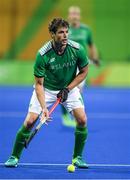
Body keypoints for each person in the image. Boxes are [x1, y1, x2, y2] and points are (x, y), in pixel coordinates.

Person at [5, 18, 89, 168]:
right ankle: (14, 156)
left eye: (66, 32)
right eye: (60, 32)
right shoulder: (43, 54)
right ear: (52, 34)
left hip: (68, 88)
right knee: (30, 121)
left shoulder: (77, 49)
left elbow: (84, 72)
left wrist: (68, 89)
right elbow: (38, 84)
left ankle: (77, 157)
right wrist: (44, 108)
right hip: (46, 90)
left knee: (82, 120)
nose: (65, 36)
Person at [61, 6, 99, 127]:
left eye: (76, 13)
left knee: (79, 90)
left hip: (81, 64)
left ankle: (77, 115)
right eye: (72, 13)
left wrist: (95, 58)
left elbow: (91, 45)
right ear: (69, 15)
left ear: (79, 16)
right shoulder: (64, 29)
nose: (74, 16)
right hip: (66, 64)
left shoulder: (86, 30)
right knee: (66, 88)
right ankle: (66, 116)